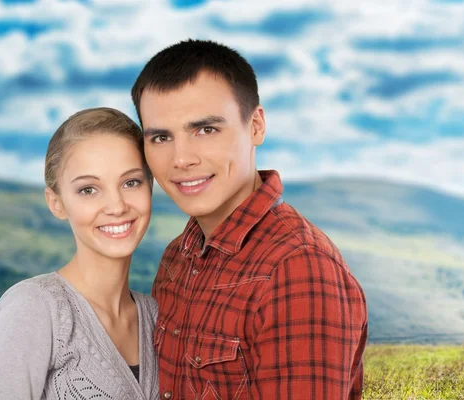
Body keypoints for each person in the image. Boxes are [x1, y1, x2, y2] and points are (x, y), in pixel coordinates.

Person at [131, 39, 368, 400]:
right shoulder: (178, 258)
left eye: (206, 130)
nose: (181, 159)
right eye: (161, 137)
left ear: (255, 126)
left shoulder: (298, 266)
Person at [0, 108, 159, 400]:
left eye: (131, 182)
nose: (117, 205)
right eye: (88, 189)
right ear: (56, 203)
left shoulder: (158, 317)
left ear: (150, 187)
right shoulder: (33, 309)